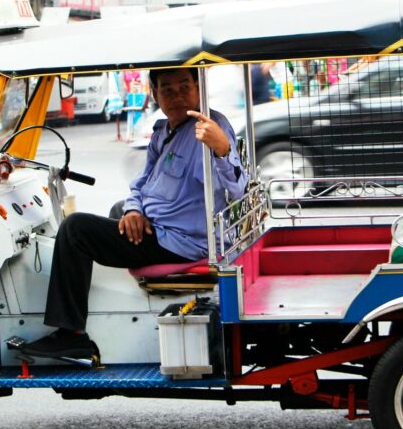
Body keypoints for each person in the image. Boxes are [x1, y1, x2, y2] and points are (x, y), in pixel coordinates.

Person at [23, 67, 248, 359]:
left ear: (198, 88)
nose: (177, 96)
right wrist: (133, 210)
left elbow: (237, 187)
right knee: (119, 209)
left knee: (75, 229)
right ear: (155, 93)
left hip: (181, 240)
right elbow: (143, 182)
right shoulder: (163, 131)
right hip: (160, 225)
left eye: (185, 87)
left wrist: (221, 147)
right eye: (167, 89)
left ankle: (70, 334)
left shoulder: (210, 128)